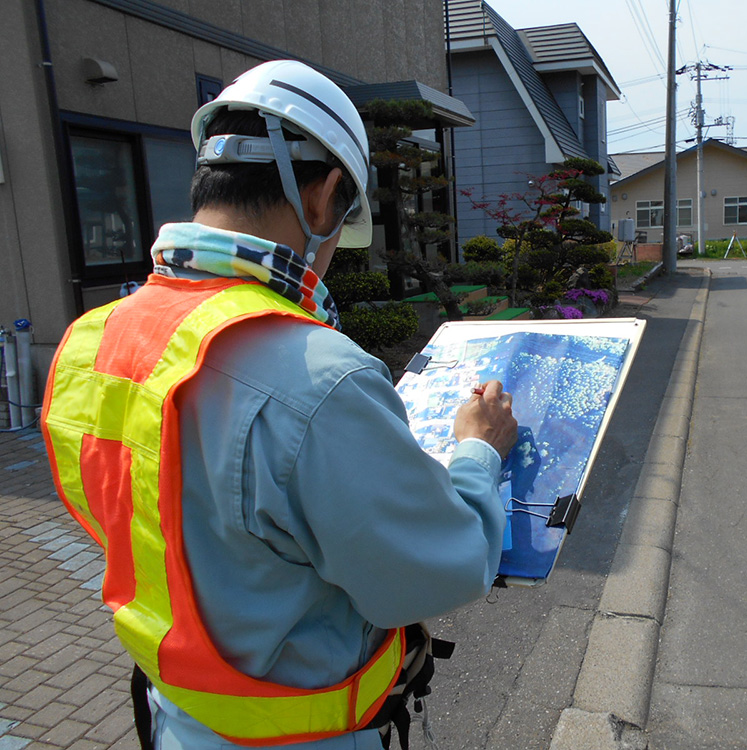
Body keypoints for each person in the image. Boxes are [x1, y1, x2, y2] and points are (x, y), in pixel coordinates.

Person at [41, 60, 518, 750]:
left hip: (174, 718)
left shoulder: (95, 338)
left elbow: (129, 509)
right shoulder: (319, 380)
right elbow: (438, 568)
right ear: (322, 200)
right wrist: (477, 449)